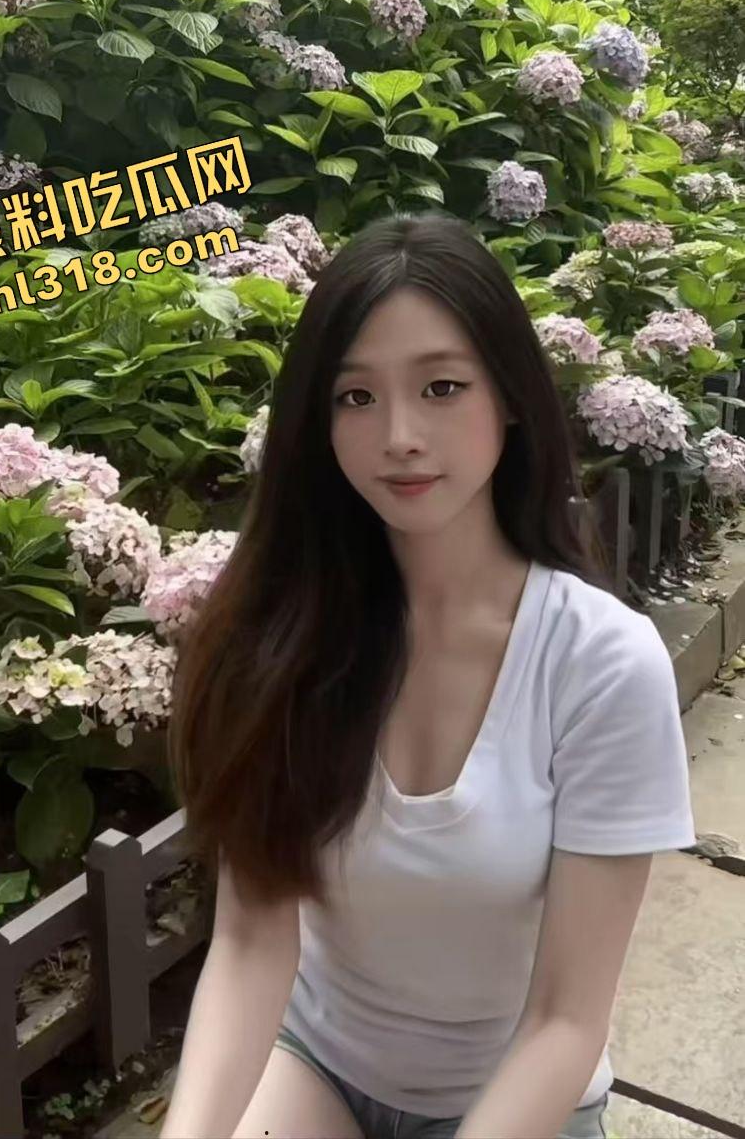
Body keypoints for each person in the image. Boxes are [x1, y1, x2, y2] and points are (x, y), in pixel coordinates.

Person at [160, 213, 696, 1139]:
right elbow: (250, 944)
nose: (399, 435)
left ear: (510, 397)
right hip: (316, 1064)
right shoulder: (279, 633)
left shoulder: (600, 664)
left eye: (441, 387)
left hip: (515, 1098)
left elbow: (564, 1021)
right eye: (355, 397)